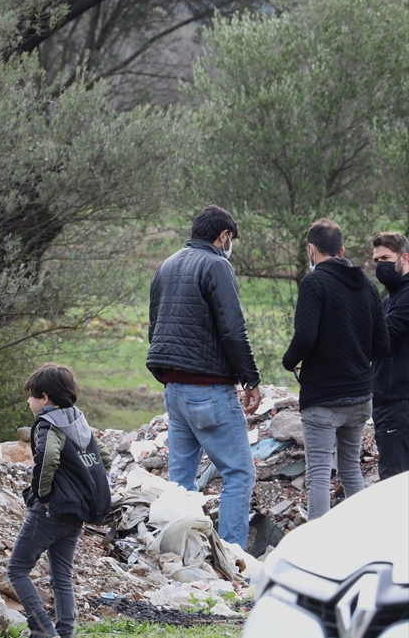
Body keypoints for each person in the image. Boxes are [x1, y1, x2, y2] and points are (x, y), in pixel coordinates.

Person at [147, 205, 261, 547]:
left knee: (180, 482)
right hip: (208, 390)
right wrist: (250, 378)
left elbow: (155, 327)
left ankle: (179, 554)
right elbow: (232, 328)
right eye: (232, 239)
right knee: (239, 474)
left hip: (174, 391)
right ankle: (233, 559)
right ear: (223, 235)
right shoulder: (216, 265)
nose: (231, 245)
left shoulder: (165, 265)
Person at [282, 220, 388, 519]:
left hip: (323, 398)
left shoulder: (313, 283)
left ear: (311, 249)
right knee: (351, 469)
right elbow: (381, 343)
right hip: (359, 396)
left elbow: (304, 336)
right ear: (341, 251)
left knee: (318, 474)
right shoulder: (367, 285)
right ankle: (361, 542)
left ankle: (317, 553)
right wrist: (353, 356)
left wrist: (289, 362)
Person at [9, 364, 112, 638]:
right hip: (76, 512)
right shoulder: (78, 420)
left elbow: (48, 457)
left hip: (51, 510)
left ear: (44, 397)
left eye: (30, 397)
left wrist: (42, 496)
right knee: (62, 576)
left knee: (17, 569)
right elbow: (103, 458)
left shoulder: (47, 423)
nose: (29, 403)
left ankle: (41, 629)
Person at [371, 231, 409, 479]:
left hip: (399, 405)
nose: (380, 265)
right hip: (389, 404)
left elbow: (383, 337)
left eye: (385, 257)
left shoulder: (406, 297)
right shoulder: (389, 299)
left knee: (393, 485)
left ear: (404, 258)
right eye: (376, 260)